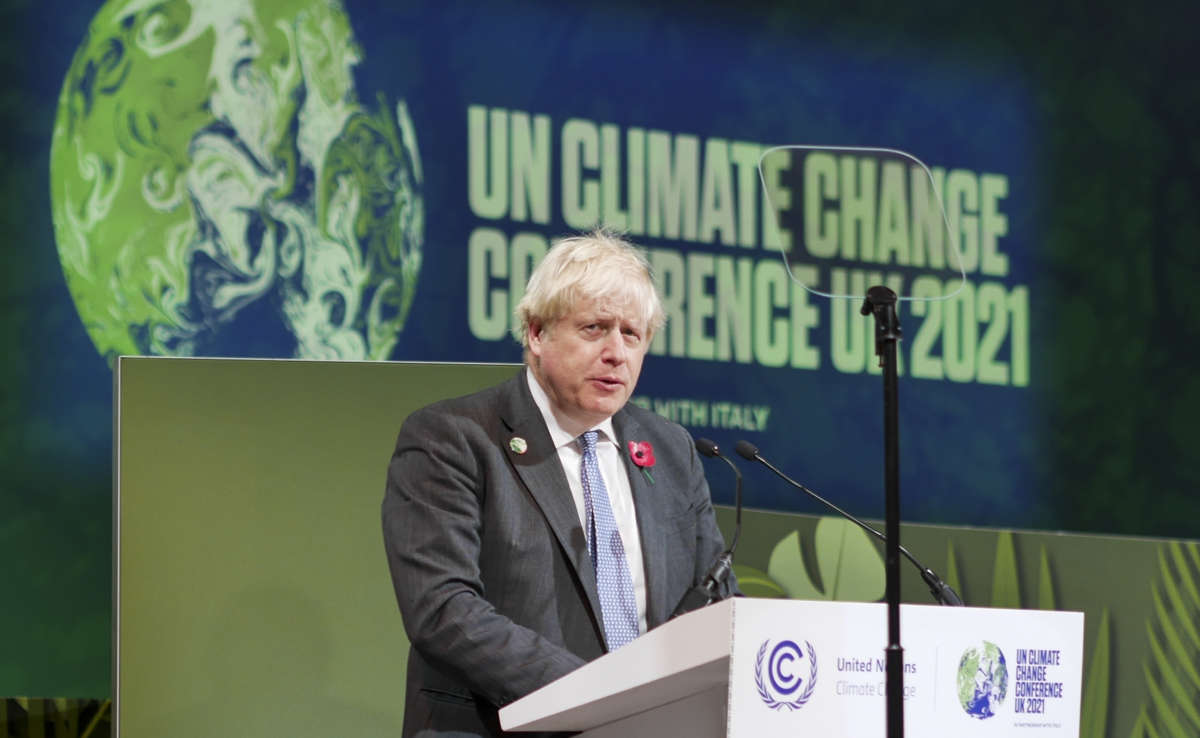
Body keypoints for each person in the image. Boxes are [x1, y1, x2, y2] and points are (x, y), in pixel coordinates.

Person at [382, 230, 734, 737]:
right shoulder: (453, 439)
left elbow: (716, 604)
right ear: (537, 333)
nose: (617, 352)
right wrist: (601, 697)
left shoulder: (672, 450)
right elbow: (443, 610)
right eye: (595, 328)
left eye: (632, 334)